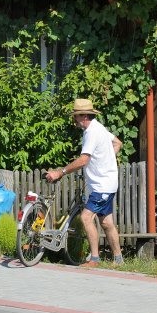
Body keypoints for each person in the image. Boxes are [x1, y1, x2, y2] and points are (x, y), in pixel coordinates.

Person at [44, 98, 123, 267]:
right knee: (106, 222)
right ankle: (118, 259)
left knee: (86, 218)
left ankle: (94, 259)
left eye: (76, 116)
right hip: (106, 184)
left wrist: (60, 172)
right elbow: (118, 143)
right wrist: (105, 159)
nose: (74, 119)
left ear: (84, 116)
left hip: (101, 186)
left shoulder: (91, 133)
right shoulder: (99, 128)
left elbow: (83, 160)